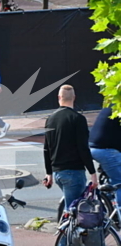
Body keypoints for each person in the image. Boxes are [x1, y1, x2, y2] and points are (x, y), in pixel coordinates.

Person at [43, 84, 97, 213]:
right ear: (74, 98)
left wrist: (49, 173)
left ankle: (64, 231)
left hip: (57, 173)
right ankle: (64, 233)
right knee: (74, 213)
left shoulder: (50, 119)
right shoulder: (78, 119)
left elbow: (47, 148)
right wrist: (93, 173)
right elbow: (83, 148)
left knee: (70, 210)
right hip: (74, 172)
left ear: (58, 97)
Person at [90, 106, 121, 187]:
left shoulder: (113, 104)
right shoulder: (118, 108)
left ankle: (108, 196)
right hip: (106, 150)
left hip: (93, 146)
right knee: (119, 182)